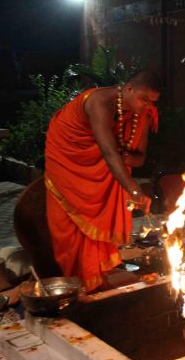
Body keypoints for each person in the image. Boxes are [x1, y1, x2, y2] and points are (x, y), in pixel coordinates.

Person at [44, 70, 161, 291]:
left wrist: (123, 156)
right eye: (144, 99)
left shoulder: (143, 113)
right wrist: (135, 191)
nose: (147, 105)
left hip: (106, 161)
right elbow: (108, 153)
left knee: (101, 217)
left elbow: (139, 158)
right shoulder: (99, 102)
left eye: (152, 102)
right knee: (71, 227)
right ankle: (76, 284)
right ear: (129, 88)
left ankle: (96, 277)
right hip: (69, 160)